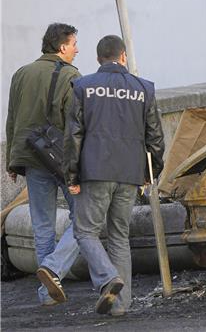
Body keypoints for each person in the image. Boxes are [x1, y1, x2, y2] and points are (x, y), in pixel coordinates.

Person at [64, 35, 164, 316]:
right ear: (123, 57)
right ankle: (121, 306)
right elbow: (155, 137)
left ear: (98, 60)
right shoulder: (144, 89)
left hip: (95, 171)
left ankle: (108, 278)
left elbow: (73, 135)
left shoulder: (83, 86)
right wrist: (151, 172)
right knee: (120, 236)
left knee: (85, 232)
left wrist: (71, 175)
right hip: (130, 173)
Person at [5, 23, 81, 306]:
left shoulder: (21, 74)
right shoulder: (71, 76)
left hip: (31, 157)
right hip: (63, 160)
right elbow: (76, 124)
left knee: (43, 226)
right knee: (84, 220)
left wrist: (12, 161)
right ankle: (55, 269)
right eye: (74, 44)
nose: (77, 49)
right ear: (62, 47)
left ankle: (46, 293)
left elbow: (12, 120)